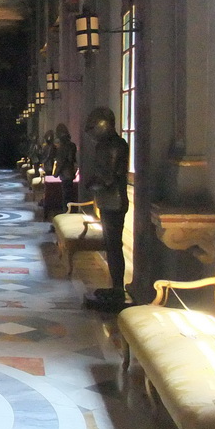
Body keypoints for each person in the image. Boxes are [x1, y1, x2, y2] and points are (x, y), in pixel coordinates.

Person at [84, 107, 130, 303]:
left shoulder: (113, 145)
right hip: (108, 199)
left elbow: (109, 178)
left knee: (114, 245)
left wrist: (92, 183)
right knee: (110, 245)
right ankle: (115, 287)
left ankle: (118, 288)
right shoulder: (107, 144)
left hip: (113, 199)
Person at [54, 123, 78, 212]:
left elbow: (61, 162)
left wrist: (56, 173)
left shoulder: (62, 147)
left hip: (65, 173)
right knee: (69, 194)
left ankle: (66, 212)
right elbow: (72, 159)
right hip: (71, 171)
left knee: (66, 195)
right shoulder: (72, 145)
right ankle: (69, 210)